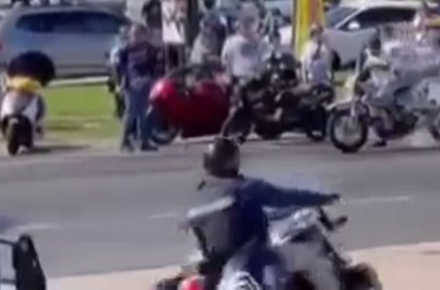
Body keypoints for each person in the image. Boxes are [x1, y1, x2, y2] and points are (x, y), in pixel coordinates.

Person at [187, 137, 340, 290]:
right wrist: (322, 198)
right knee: (311, 255)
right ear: (232, 161)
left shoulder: (200, 193)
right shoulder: (245, 187)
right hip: (252, 257)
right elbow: (284, 197)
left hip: (215, 266)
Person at [115, 23, 163, 152]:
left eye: (140, 34)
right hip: (132, 85)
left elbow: (155, 67)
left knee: (145, 113)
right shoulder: (125, 50)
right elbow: (120, 68)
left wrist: (154, 79)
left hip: (146, 83)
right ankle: (124, 141)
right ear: (130, 36)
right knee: (131, 113)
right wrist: (121, 82)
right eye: (134, 34)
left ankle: (144, 140)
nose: (137, 37)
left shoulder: (150, 49)